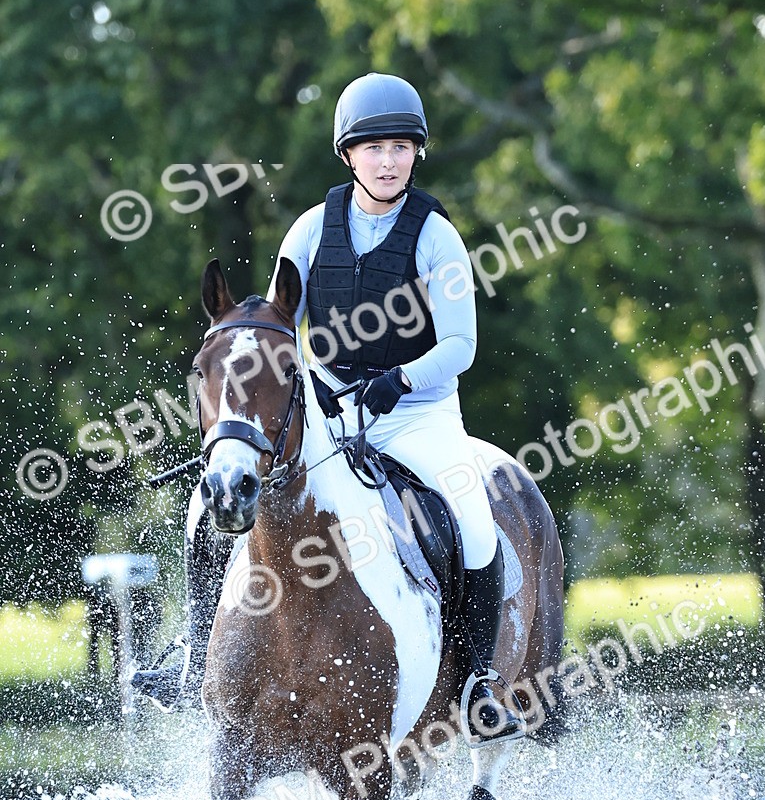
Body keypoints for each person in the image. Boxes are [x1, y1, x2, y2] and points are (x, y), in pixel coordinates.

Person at [133, 72, 522, 740]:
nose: (389, 160)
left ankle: (475, 686)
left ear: (415, 154)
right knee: (207, 507)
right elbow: (283, 324)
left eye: (401, 147)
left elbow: (461, 345)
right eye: (374, 148)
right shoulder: (312, 230)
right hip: (331, 408)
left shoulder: (437, 238)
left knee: (473, 522)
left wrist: (398, 380)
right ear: (349, 155)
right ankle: (196, 651)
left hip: (418, 413)